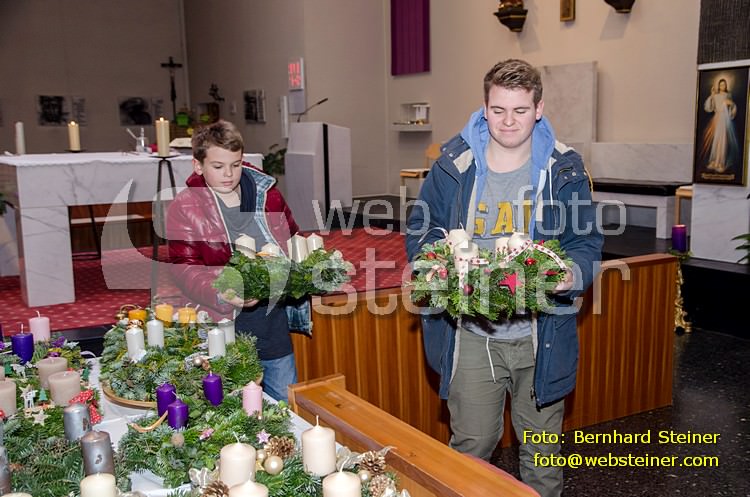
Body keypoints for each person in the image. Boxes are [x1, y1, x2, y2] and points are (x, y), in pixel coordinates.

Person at [405, 59, 602, 497]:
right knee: (471, 451)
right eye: (498, 110)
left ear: (539, 109)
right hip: (471, 335)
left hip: (540, 335)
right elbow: (423, 228)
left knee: (542, 457)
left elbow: (586, 243)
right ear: (485, 107)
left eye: (519, 110)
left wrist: (568, 273)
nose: (508, 121)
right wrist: (431, 263)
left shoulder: (564, 169)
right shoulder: (453, 164)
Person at [167, 119, 308, 403]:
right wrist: (222, 292)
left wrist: (309, 267)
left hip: (273, 324)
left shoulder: (268, 195)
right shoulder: (185, 207)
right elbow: (185, 269)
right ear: (198, 166)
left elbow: (293, 238)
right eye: (218, 166)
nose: (229, 174)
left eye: (236, 164)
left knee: (285, 406)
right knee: (234, 409)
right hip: (224, 327)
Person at [701, 78, 739, 173]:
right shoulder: (716, 95)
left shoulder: (728, 95)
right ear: (719, 86)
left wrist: (731, 104)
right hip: (717, 119)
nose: (723, 86)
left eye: (724, 84)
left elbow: (732, 107)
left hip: (724, 120)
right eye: (721, 85)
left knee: (723, 140)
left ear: (726, 86)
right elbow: (708, 107)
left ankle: (721, 162)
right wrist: (712, 95)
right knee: (716, 140)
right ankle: (715, 160)